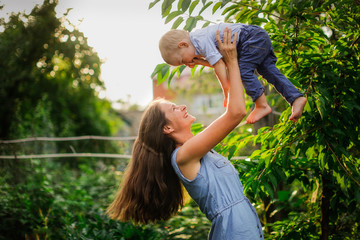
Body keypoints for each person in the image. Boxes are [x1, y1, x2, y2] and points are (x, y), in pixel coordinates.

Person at [107, 28, 264, 239]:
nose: (181, 106)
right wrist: (232, 60)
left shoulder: (198, 151)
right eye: (173, 109)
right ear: (167, 128)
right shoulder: (184, 156)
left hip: (244, 228)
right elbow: (236, 112)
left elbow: (229, 86)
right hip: (234, 232)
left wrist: (203, 59)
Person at [159, 23, 307, 124]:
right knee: (270, 73)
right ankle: (296, 98)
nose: (186, 64)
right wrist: (199, 62)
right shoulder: (198, 43)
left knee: (243, 71)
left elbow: (219, 65)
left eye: (181, 61)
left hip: (250, 39)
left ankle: (261, 105)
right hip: (257, 38)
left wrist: (226, 90)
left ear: (183, 45)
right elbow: (221, 62)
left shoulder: (199, 40)